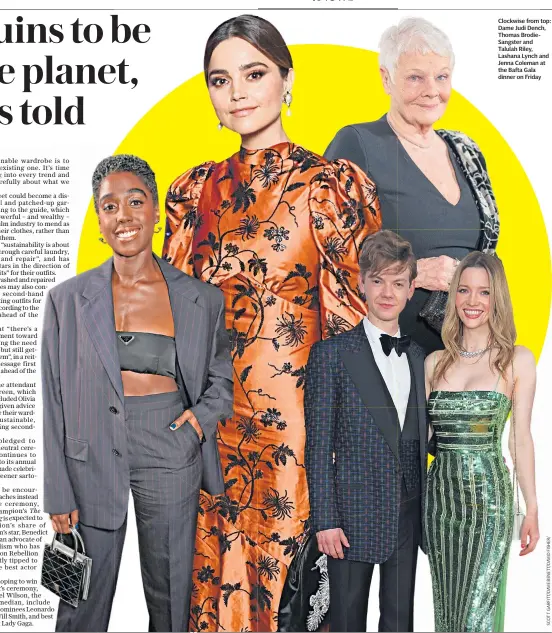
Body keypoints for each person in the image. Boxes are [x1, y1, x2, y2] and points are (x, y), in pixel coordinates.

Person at [162, 14, 381, 632]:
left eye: (254, 73)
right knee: (211, 584)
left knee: (288, 595)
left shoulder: (329, 186)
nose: (237, 92)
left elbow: (353, 328)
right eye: (220, 80)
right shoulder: (191, 191)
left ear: (287, 80)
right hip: (209, 428)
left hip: (294, 432)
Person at [42, 155, 233, 632]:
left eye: (135, 201)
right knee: (80, 596)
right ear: (98, 220)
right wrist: (56, 490)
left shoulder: (200, 299)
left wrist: (195, 424)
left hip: (168, 439)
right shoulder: (66, 299)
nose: (123, 215)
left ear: (154, 212)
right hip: (89, 451)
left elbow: (221, 381)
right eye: (109, 206)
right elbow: (52, 400)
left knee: (171, 597)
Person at [324, 17, 500, 354]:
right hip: (387, 355)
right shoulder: (357, 143)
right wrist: (413, 271)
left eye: (442, 77)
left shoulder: (466, 153)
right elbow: (322, 253)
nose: (432, 90)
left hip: (465, 357)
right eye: (415, 77)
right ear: (386, 79)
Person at [304, 230, 430, 632]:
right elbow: (318, 446)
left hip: (407, 514)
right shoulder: (332, 355)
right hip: (349, 518)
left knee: (399, 622)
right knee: (346, 622)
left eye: (397, 283)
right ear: (361, 283)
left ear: (412, 289)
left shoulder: (418, 356)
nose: (387, 293)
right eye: (377, 280)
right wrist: (325, 519)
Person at [424, 251, 539, 632]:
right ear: (453, 296)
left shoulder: (516, 360)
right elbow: (419, 440)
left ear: (498, 299)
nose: (473, 302)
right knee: (449, 613)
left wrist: (532, 507)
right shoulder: (434, 363)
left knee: (478, 614)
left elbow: (520, 439)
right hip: (440, 504)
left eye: (484, 292)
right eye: (465, 291)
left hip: (489, 505)